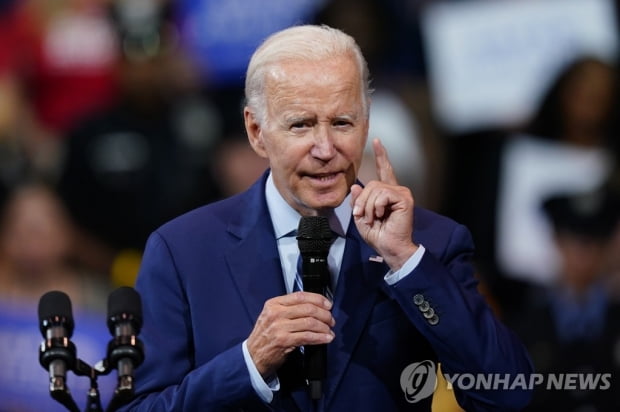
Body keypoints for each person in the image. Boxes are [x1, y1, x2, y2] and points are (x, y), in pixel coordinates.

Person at [119, 25, 533, 411]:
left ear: (366, 121)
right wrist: (249, 363)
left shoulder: (430, 242)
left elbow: (508, 395)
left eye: (341, 122)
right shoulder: (183, 251)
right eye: (300, 125)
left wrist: (406, 262)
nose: (325, 148)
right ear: (256, 131)